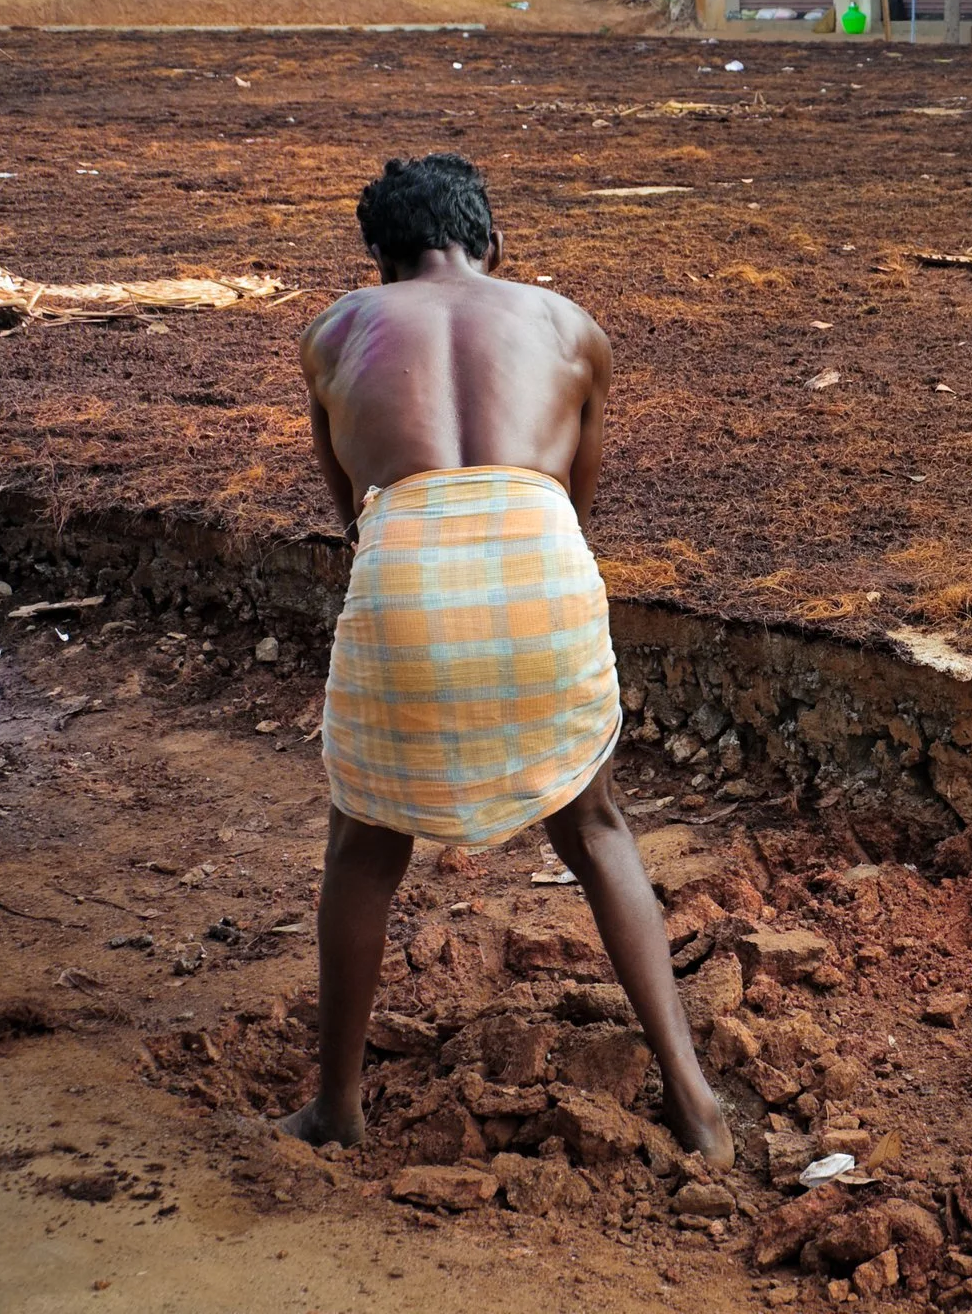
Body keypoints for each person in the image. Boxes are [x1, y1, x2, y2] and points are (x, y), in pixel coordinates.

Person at [277, 153, 733, 1169]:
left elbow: (351, 502)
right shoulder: (569, 324)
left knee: (362, 847)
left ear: (381, 261)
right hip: (542, 561)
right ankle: (696, 1098)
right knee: (596, 821)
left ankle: (338, 1107)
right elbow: (578, 496)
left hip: (403, 570)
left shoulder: (335, 330)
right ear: (493, 242)